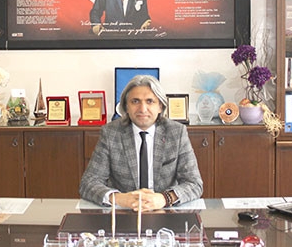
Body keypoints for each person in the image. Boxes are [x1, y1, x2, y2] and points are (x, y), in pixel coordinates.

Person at [79, 75, 203, 211]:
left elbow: (194, 183)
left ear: (160, 106)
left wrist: (164, 198)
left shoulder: (176, 132)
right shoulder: (111, 133)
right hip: (124, 212)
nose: (142, 109)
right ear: (126, 107)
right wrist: (119, 198)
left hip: (164, 211)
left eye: (150, 101)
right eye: (135, 101)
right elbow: (88, 183)